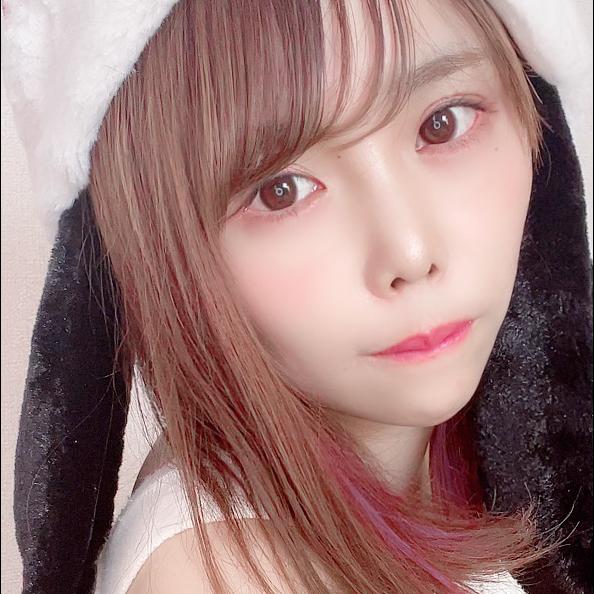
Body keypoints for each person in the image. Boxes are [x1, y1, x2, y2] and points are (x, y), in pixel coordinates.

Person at [3, 0, 591, 593]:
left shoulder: (466, 453)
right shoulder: (224, 578)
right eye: (280, 191)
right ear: (157, 251)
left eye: (444, 123)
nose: (411, 254)